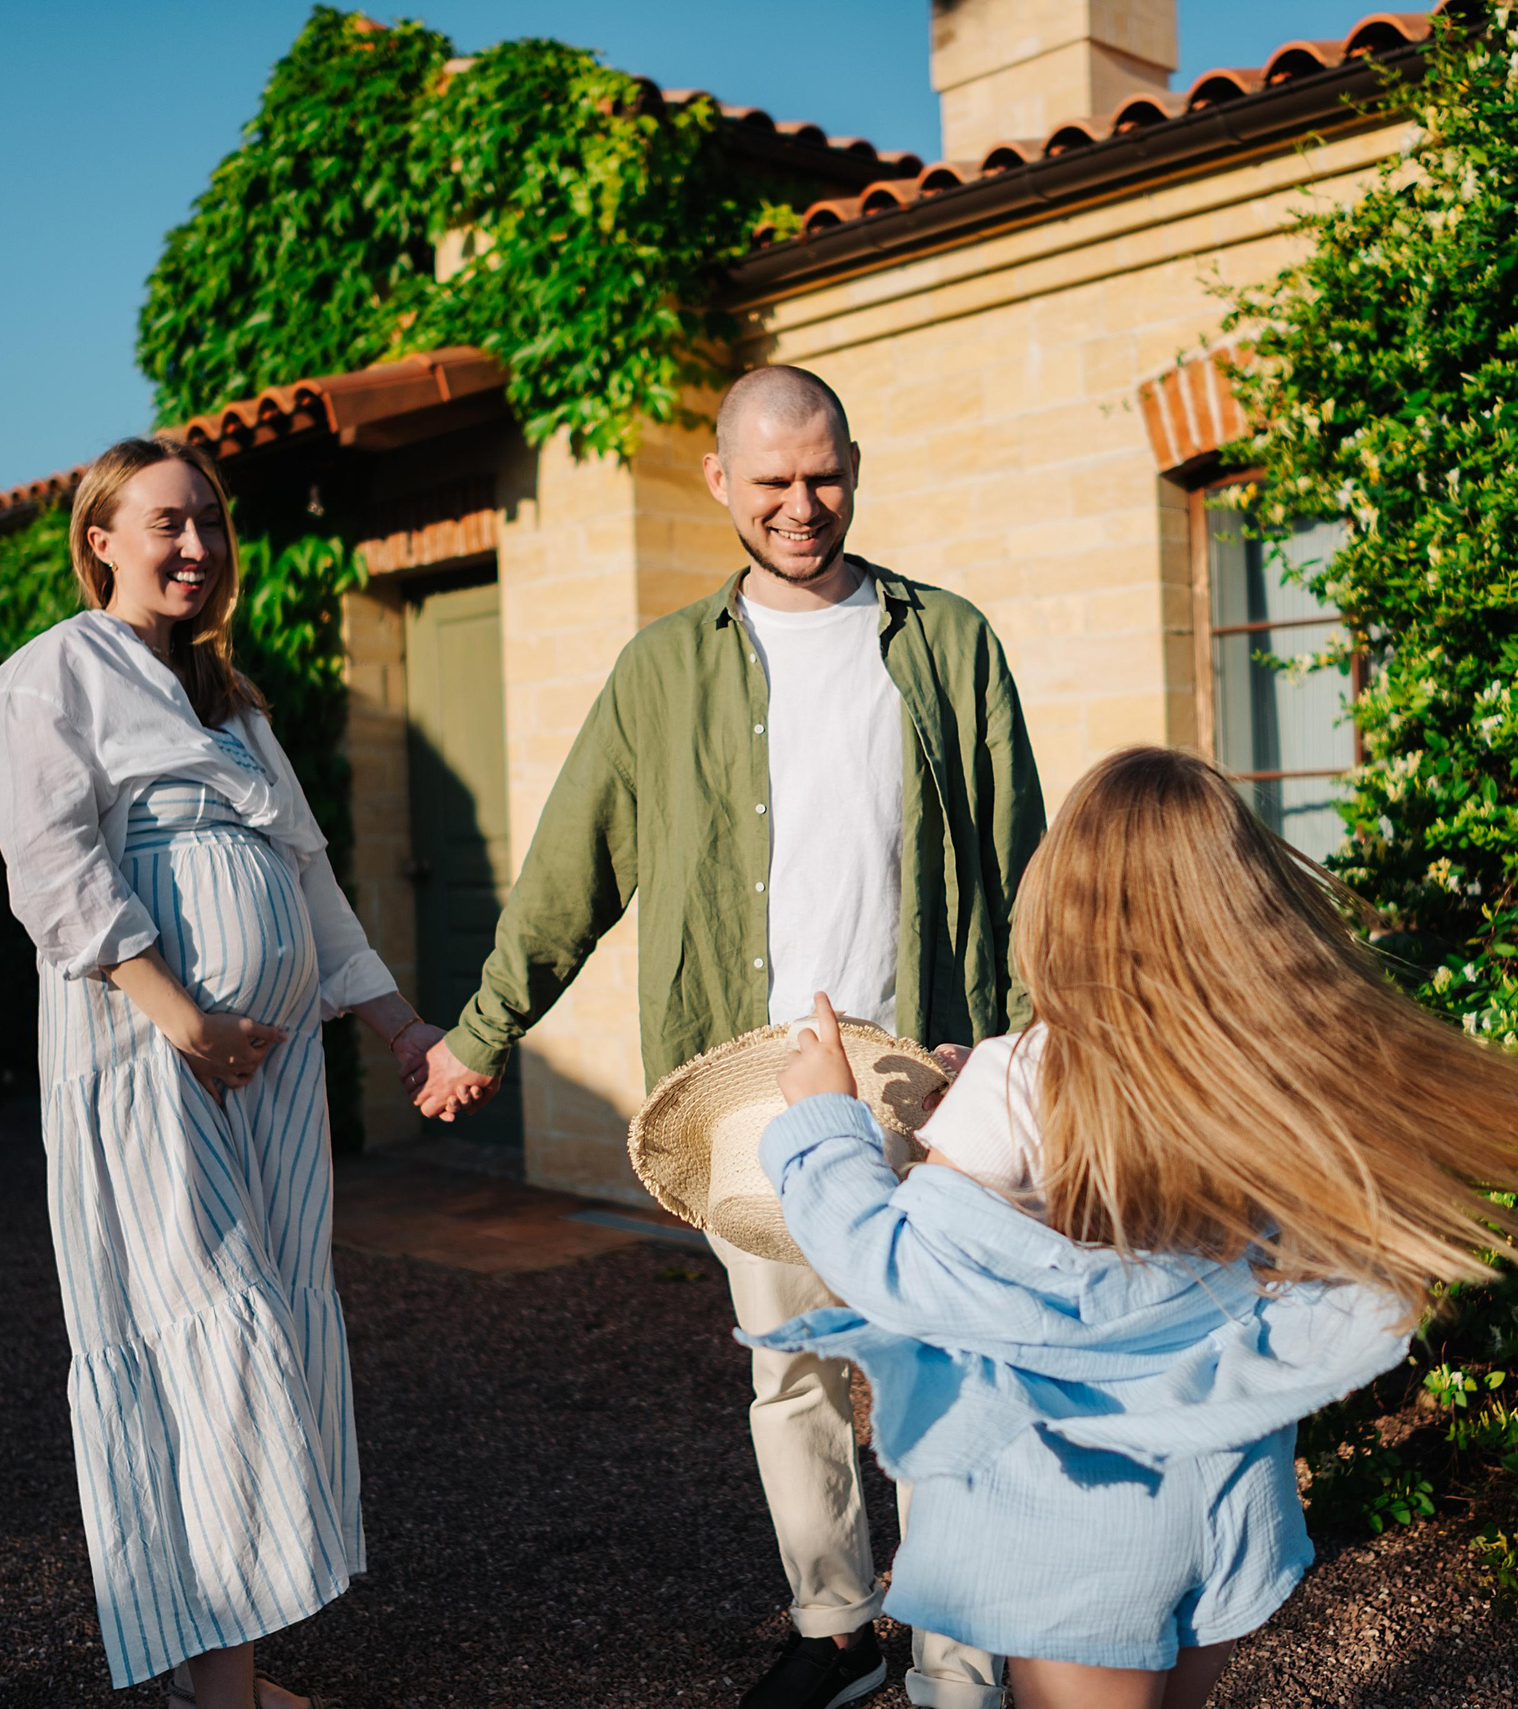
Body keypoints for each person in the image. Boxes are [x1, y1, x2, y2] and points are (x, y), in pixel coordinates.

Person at [760, 747, 1518, 1709]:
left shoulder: (1025, 1075)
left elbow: (893, 1264)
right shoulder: (1275, 1076)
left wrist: (826, 1119)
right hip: (1232, 1502)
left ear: (1067, 901)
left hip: (1087, 1527)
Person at [415, 366, 1045, 1709]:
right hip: (749, 1086)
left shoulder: (950, 641)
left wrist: (1021, 1053)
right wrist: (482, 1033)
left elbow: (1023, 866)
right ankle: (840, 1632)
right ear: (719, 482)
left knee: (947, 1372)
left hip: (925, 1080)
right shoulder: (660, 672)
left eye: (823, 476)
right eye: (771, 483)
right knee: (792, 1374)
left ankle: (959, 1660)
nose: (801, 505)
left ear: (856, 466)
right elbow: (567, 871)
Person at [0, 436, 445, 1709]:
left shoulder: (232, 703)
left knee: (273, 1326)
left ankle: (221, 1669)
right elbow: (53, 866)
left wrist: (401, 1028)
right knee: (195, 1330)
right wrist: (181, 1015)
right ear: (101, 539)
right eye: (167, 524)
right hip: (150, 1054)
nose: (196, 547)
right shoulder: (52, 673)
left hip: (272, 1075)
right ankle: (211, 1685)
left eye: (209, 524)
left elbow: (308, 877)